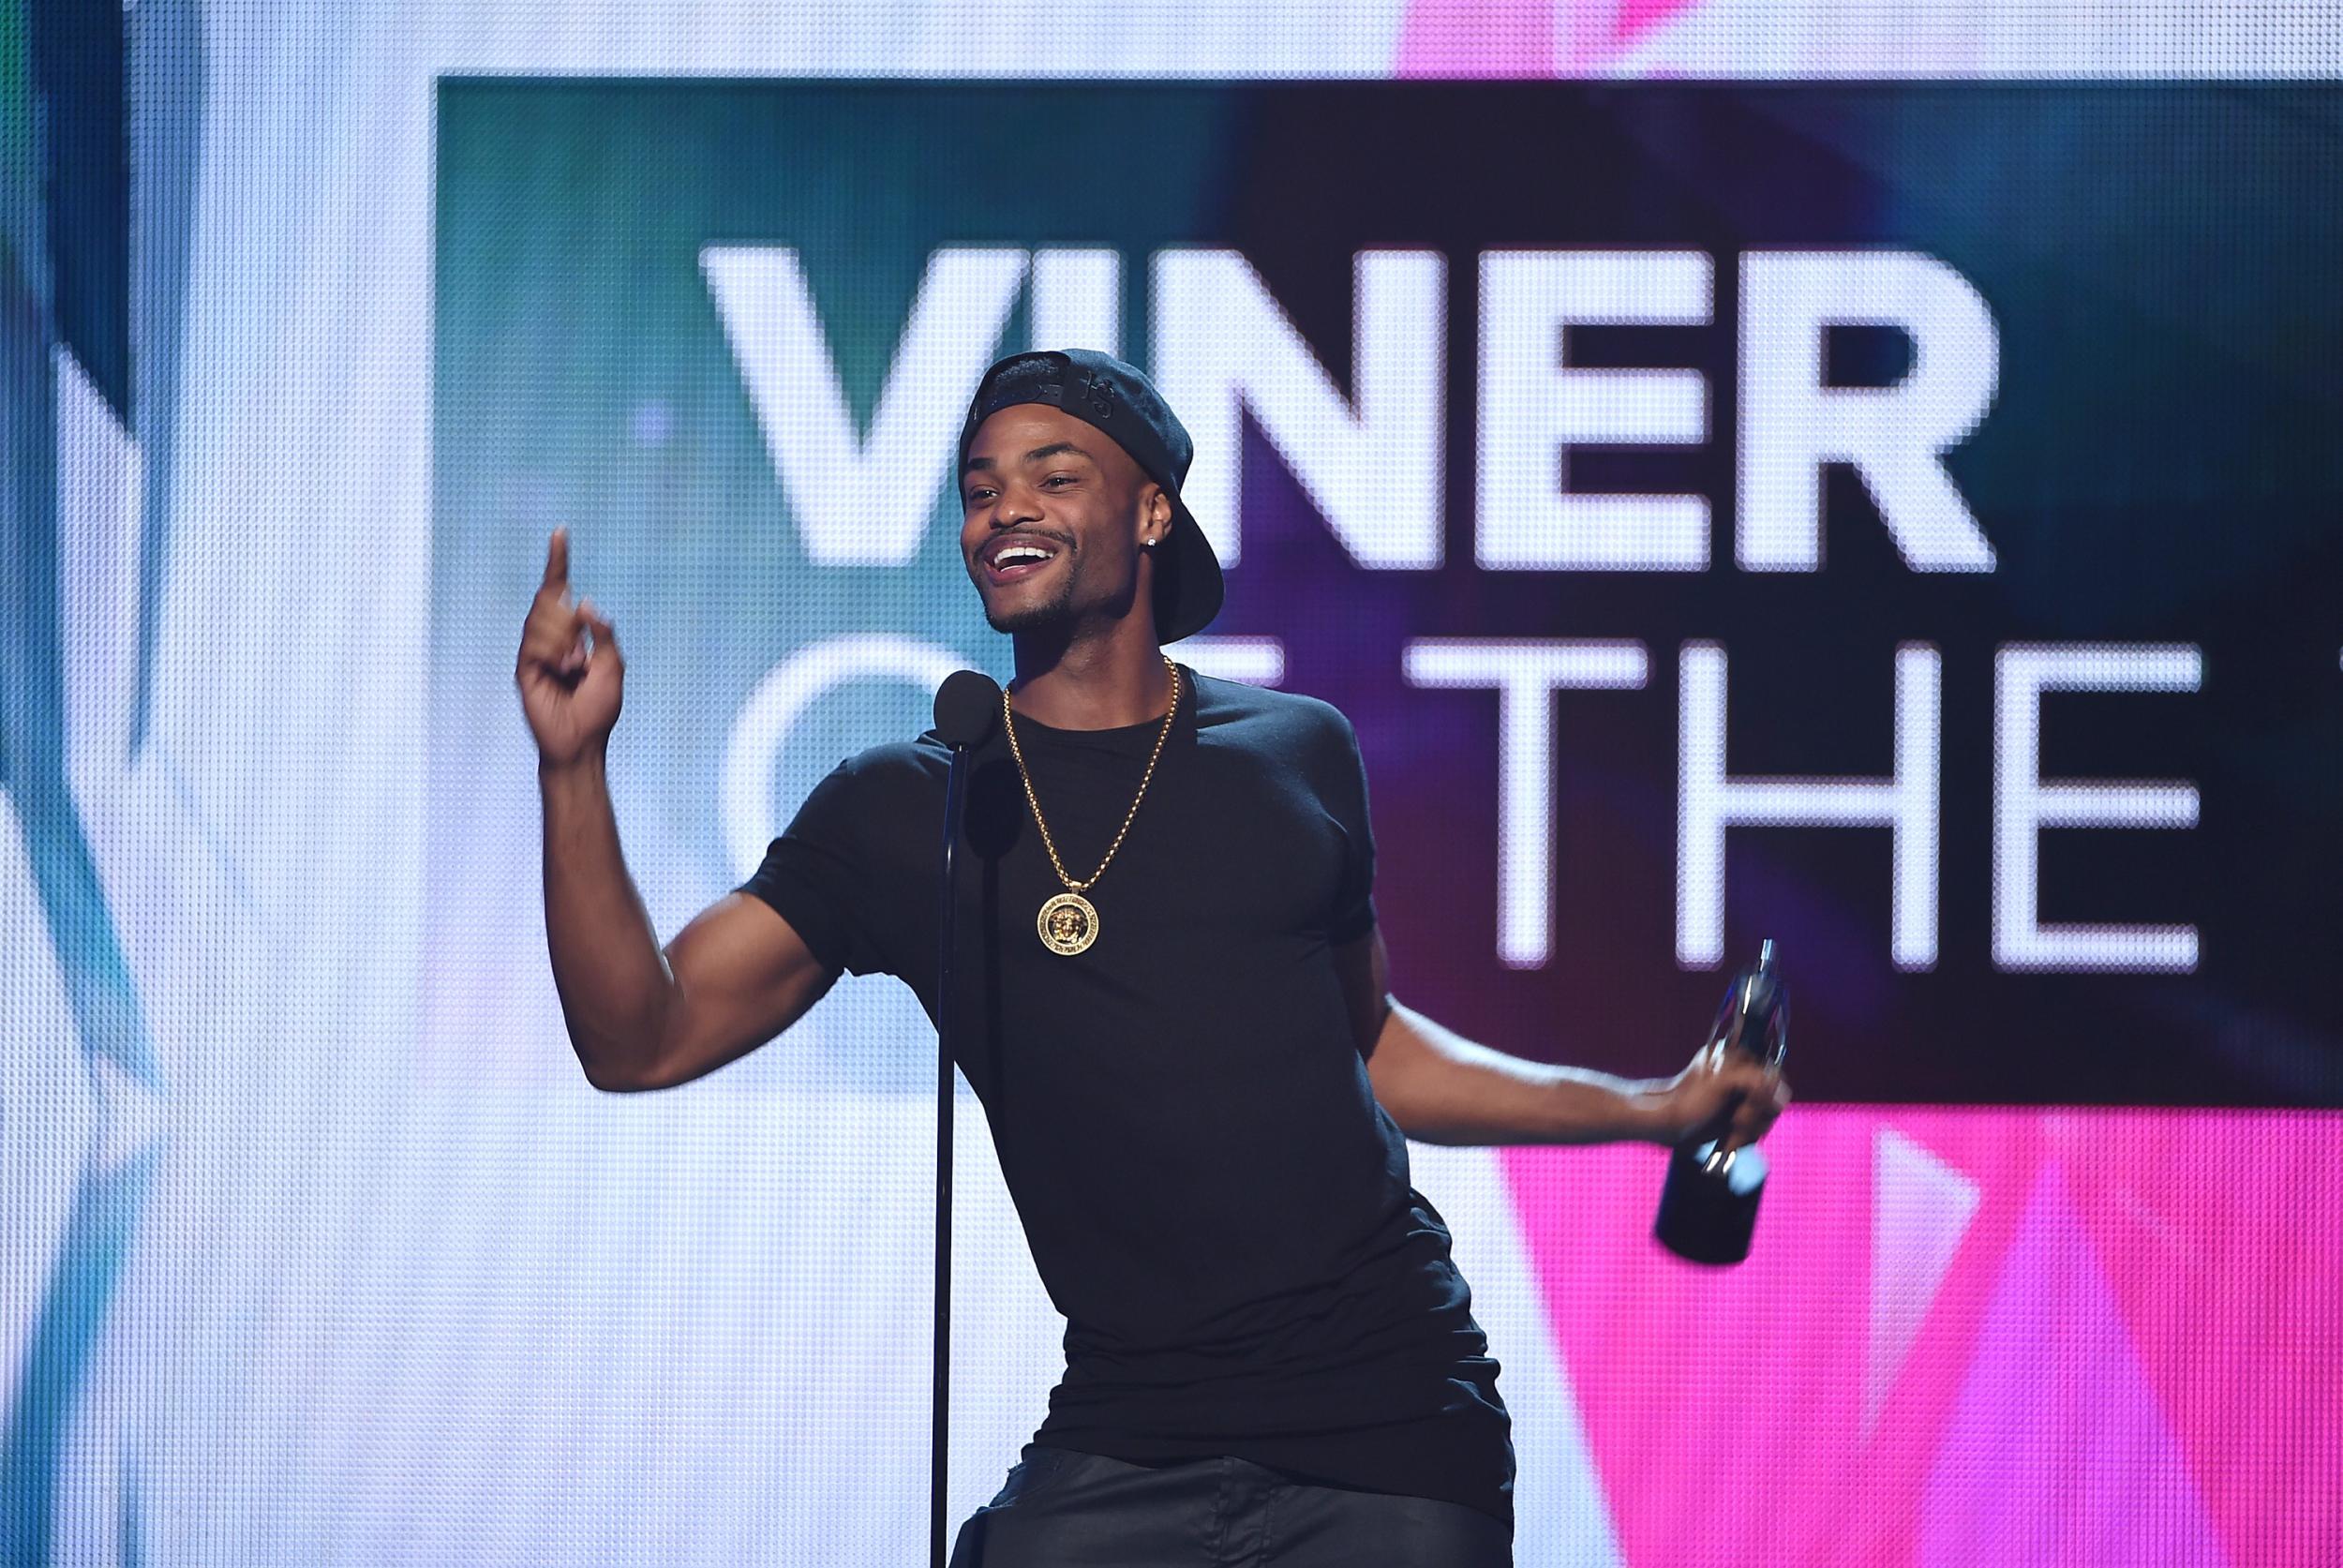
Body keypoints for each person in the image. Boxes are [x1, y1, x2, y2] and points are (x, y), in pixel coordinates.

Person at [517, 350, 1789, 1566]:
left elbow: (1373, 1050)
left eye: (1052, 473)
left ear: (1151, 513)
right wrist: (573, 768)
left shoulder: (1297, 752)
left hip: (1390, 1417)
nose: (1002, 507)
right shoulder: (915, 804)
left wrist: (1655, 1108)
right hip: (1127, 1437)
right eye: (977, 487)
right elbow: (642, 1037)